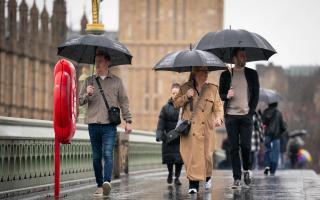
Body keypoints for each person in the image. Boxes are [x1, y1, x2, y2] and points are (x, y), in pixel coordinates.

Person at [79, 49, 132, 197]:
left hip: (109, 125)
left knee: (107, 154)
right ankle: (99, 184)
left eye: (100, 61)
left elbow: (124, 102)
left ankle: (106, 183)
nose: (98, 64)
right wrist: (86, 94)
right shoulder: (88, 81)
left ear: (108, 62)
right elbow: (79, 101)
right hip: (93, 124)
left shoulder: (117, 81)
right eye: (96, 61)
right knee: (96, 156)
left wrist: (128, 120)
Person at [173, 66, 224, 194]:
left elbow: (218, 107)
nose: (206, 74)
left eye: (207, 71)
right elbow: (175, 104)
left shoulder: (212, 89)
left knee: (207, 156)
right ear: (196, 73)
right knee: (192, 157)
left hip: (206, 128)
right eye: (203, 71)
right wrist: (186, 96)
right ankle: (193, 185)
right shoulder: (185, 87)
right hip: (191, 130)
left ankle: (207, 177)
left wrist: (218, 118)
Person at [219, 48, 260, 188]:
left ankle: (247, 169)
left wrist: (250, 112)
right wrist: (227, 95)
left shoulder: (252, 74)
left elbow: (255, 95)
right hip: (231, 116)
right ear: (235, 58)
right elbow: (220, 94)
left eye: (245, 55)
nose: (245, 58)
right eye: (242, 56)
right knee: (233, 148)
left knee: (246, 146)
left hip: (246, 116)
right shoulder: (225, 75)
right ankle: (237, 177)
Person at [156, 83, 184, 186]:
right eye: (173, 93)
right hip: (168, 137)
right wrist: (159, 135)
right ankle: (170, 173)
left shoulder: (183, 108)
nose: (175, 95)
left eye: (177, 93)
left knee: (179, 159)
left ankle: (177, 177)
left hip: (180, 137)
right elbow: (161, 122)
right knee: (169, 158)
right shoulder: (165, 108)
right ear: (171, 94)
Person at [262, 102, 287, 175]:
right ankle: (273, 170)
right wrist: (280, 131)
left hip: (267, 135)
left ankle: (267, 166)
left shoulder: (265, 112)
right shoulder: (278, 113)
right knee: (275, 153)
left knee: (267, 151)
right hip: (276, 136)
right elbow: (283, 126)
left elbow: (262, 122)